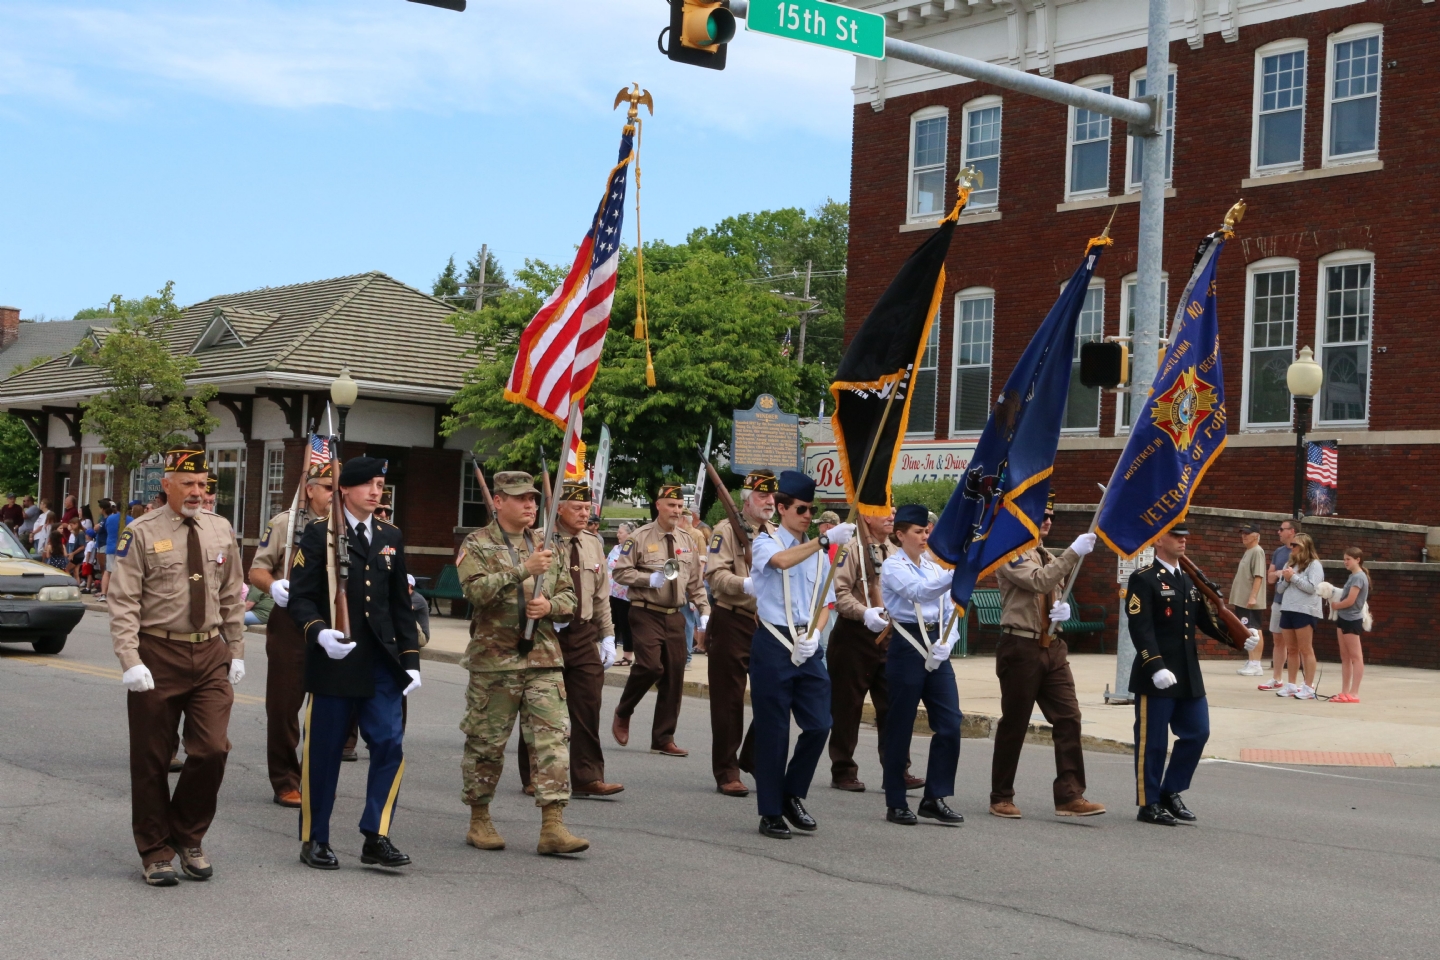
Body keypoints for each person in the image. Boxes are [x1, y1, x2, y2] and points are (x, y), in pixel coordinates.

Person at [106, 447, 247, 885]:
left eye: (203, 485)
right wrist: (130, 659)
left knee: (212, 749)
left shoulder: (220, 529)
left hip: (208, 653)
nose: (198, 493)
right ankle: (155, 850)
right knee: (151, 759)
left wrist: (236, 649)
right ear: (165, 484)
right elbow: (123, 600)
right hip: (157, 653)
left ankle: (187, 836)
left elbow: (232, 594)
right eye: (188, 484)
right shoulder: (141, 532)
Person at [287, 456, 422, 871]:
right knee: (323, 754)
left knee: (389, 744)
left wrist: (411, 659)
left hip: (381, 662)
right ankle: (315, 838)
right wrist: (318, 632)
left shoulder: (390, 535)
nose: (376, 491)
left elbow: (401, 603)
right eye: (368, 484)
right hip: (336, 660)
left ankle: (376, 833)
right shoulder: (317, 535)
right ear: (345, 489)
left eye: (381, 484)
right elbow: (301, 596)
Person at [454, 470, 588, 856]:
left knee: (552, 741)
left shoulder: (549, 544)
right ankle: (479, 818)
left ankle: (553, 826)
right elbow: (475, 592)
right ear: (498, 502)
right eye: (520, 498)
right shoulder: (477, 543)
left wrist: (550, 606)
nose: (530, 504)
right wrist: (521, 571)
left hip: (543, 658)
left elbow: (569, 600)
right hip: (495, 661)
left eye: (532, 498)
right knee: (486, 743)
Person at [1127, 520, 1253, 826]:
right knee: (1153, 742)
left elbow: (1207, 622)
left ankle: (1170, 791)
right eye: (1175, 535)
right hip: (1156, 673)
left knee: (1198, 732)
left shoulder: (1188, 580)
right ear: (1158, 541)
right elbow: (1140, 629)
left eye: (1185, 536)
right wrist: (1155, 666)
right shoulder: (1143, 578)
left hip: (1187, 673)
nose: (1183, 540)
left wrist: (1239, 637)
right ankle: (1149, 803)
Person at [747, 470, 851, 839]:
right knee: (774, 733)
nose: (808, 515)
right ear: (781, 508)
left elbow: (827, 600)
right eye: (802, 509)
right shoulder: (766, 541)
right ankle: (771, 812)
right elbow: (781, 563)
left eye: (812, 509)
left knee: (820, 723)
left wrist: (818, 633)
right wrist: (823, 542)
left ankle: (792, 793)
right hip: (773, 644)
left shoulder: (819, 551)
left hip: (806, 646)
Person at [990, 494, 1105, 819]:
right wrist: (1072, 552)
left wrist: (1062, 611)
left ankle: (1070, 795)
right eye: (1041, 515)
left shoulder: (1043, 554)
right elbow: (1039, 581)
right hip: (1021, 646)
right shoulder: (1010, 552)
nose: (1047, 520)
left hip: (1052, 645)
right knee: (1015, 722)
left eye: (1051, 515)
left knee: (1068, 717)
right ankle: (1001, 795)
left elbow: (1053, 585)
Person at [517, 478, 624, 798]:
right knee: (540, 706)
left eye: (586, 508)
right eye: (576, 507)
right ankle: (534, 773)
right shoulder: (536, 541)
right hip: (544, 633)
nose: (583, 513)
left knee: (588, 705)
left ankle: (586, 775)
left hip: (582, 634)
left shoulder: (592, 543)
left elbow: (601, 595)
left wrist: (608, 637)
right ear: (558, 509)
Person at [247, 462, 334, 807]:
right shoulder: (285, 523)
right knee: (284, 706)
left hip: (331, 620)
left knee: (330, 707)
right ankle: (285, 779)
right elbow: (256, 570)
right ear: (309, 489)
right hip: (291, 622)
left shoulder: (345, 525)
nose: (333, 494)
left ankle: (317, 778)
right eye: (327, 487)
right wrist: (274, 585)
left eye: (337, 488)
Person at [877, 504, 965, 826]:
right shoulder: (893, 567)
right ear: (900, 535)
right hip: (907, 645)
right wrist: (956, 576)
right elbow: (918, 593)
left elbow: (950, 609)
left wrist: (948, 642)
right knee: (901, 723)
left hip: (937, 645)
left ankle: (935, 796)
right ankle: (896, 801)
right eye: (918, 531)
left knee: (951, 722)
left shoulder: (933, 568)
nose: (925, 536)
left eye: (927, 530)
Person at [610, 482, 710, 757]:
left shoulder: (687, 539)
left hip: (675, 615)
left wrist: (704, 611)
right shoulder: (639, 537)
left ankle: (663, 738)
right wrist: (647, 579)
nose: (677, 511)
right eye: (672, 506)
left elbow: (695, 583)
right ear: (658, 506)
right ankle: (624, 709)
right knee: (651, 666)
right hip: (645, 611)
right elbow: (619, 573)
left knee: (675, 675)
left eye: (680, 506)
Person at [828, 507, 921, 794]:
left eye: (893, 509)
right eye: (883, 510)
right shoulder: (850, 548)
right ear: (866, 516)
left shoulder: (895, 550)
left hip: (890, 636)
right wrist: (864, 612)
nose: (891, 514)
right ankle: (843, 769)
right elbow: (839, 592)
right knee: (848, 706)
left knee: (893, 707)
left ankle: (897, 769)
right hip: (854, 636)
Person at [702, 468, 777, 798]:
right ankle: (727, 769)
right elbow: (714, 576)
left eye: (773, 496)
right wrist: (744, 583)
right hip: (732, 619)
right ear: (747, 500)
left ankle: (752, 756)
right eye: (763, 496)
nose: (770, 502)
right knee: (728, 701)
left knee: (775, 693)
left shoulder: (775, 533)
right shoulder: (725, 531)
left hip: (767, 623)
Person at [1277, 533, 1324, 700]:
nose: (1292, 547)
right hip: (1288, 608)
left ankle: (1308, 686)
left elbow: (1312, 588)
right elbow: (1280, 589)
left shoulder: (1314, 565)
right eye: (1292, 544)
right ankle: (1291, 685)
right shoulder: (1290, 563)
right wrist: (1286, 579)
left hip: (1305, 610)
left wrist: (1294, 577)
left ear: (1305, 547)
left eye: (1296, 545)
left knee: (1305, 648)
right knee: (1291, 649)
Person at [1258, 519, 1298, 691]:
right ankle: (1277, 678)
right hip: (1278, 600)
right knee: (1277, 639)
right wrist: (1283, 573)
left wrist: (1282, 575)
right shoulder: (1278, 552)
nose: (1278, 532)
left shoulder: (1302, 553)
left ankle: (1294, 682)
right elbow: (1270, 577)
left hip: (1296, 604)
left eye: (1282, 529)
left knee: (1296, 643)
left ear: (1292, 531)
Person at [1330, 547, 1370, 703]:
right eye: (1344, 559)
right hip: (1343, 618)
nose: (1345, 562)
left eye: (1348, 559)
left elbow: (1351, 600)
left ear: (1357, 560)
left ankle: (1354, 692)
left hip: (1352, 618)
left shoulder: (1359, 577)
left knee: (1355, 656)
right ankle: (1345, 690)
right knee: (1345, 657)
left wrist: (1336, 605)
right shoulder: (1352, 576)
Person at [1229, 524, 1267, 677]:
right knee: (1247, 629)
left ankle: (1256, 664)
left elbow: (1258, 576)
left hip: (1249, 600)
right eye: (1243, 533)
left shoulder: (1257, 551)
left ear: (1256, 535)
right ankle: (1251, 660)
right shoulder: (1249, 551)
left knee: (1254, 629)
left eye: (1247, 533)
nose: (1244, 536)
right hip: (1242, 598)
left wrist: (1253, 596)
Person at [608, 522, 635, 666]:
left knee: (625, 624)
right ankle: (610, 653)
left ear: (629, 534)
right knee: (612, 624)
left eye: (620, 532)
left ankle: (627, 656)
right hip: (612, 592)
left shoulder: (633, 550)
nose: (617, 534)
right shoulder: (614, 549)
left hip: (625, 594)